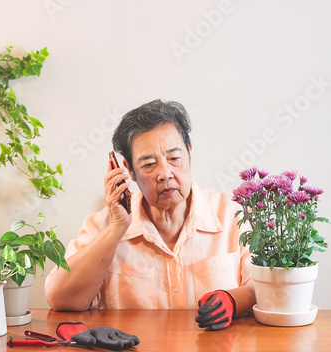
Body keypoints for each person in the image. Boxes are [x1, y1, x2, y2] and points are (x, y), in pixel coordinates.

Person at [45, 99, 256, 330]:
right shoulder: (104, 225)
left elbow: (266, 287)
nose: (165, 173)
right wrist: (117, 229)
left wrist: (233, 300)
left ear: (190, 154)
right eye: (148, 164)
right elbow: (61, 299)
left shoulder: (235, 214)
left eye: (174, 158)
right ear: (130, 172)